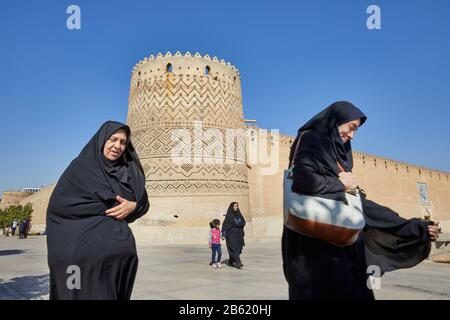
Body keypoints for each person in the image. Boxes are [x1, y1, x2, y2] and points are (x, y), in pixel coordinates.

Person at [282, 101, 440, 300]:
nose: (352, 135)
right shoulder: (312, 140)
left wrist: (413, 226)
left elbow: (360, 204)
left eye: (356, 131)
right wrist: (342, 184)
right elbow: (303, 179)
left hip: (338, 245)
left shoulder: (337, 154)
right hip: (312, 249)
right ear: (336, 120)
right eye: (351, 127)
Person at [46, 121, 150, 300]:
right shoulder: (81, 169)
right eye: (113, 139)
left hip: (117, 262)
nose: (117, 146)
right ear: (102, 140)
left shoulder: (127, 171)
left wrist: (133, 206)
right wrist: (107, 207)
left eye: (123, 142)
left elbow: (142, 202)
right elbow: (60, 207)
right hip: (79, 260)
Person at [222, 202, 246, 269]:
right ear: (232, 207)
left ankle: (231, 261)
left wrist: (241, 225)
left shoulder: (239, 215)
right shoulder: (229, 216)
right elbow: (225, 226)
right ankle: (238, 262)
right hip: (231, 235)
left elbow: (243, 222)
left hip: (239, 235)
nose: (236, 207)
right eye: (235, 206)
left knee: (238, 248)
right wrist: (223, 235)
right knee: (234, 248)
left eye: (237, 206)